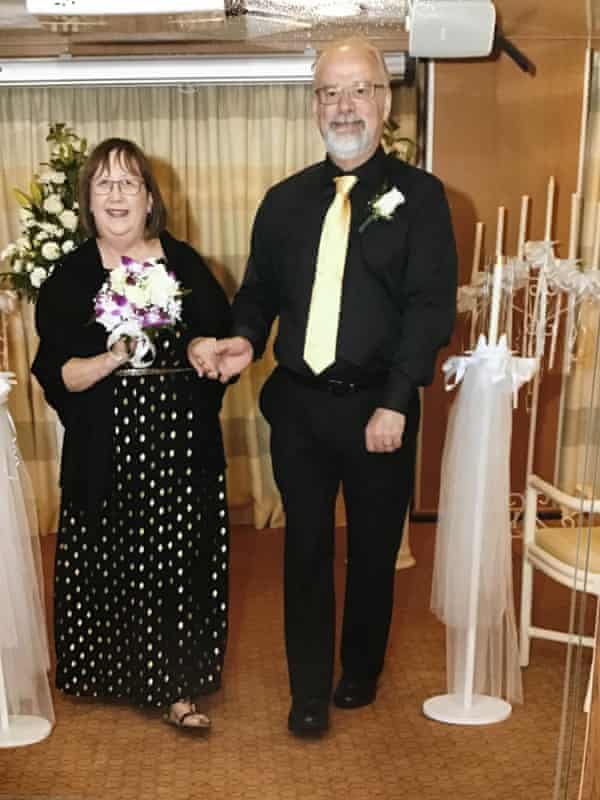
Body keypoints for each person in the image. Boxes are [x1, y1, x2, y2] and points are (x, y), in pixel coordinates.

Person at [197, 37, 457, 736]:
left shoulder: (423, 198)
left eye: (359, 90)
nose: (345, 107)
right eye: (330, 93)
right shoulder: (282, 203)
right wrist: (243, 340)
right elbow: (257, 297)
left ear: (385, 99)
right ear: (315, 105)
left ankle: (360, 669)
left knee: (373, 552)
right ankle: (308, 689)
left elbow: (431, 309)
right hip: (301, 409)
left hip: (382, 407)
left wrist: (398, 401)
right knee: (305, 547)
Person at [32, 138, 232, 731]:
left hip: (179, 446)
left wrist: (202, 348)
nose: (117, 195)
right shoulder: (69, 278)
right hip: (106, 447)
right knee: (111, 559)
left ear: (150, 198)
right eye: (104, 185)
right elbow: (60, 373)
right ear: (88, 202)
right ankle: (111, 671)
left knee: (177, 561)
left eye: (129, 184)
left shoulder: (184, 263)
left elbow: (217, 340)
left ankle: (178, 689)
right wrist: (115, 354)